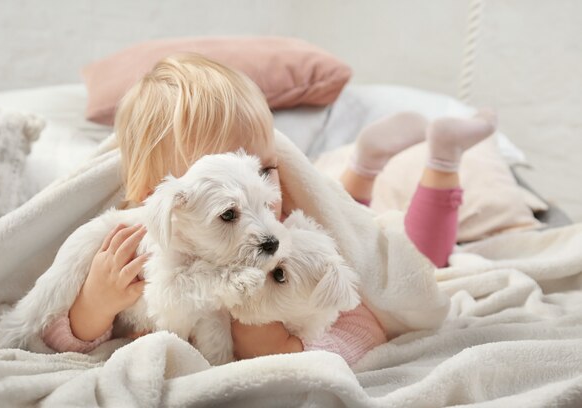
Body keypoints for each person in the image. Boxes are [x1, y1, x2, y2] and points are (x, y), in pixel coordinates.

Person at [41, 54, 496, 364]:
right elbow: (59, 341)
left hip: (328, 228)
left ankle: (436, 162)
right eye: (229, 206)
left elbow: (363, 315)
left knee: (421, 254)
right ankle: (362, 168)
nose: (267, 197)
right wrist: (94, 308)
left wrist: (294, 350)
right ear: (158, 196)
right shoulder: (129, 247)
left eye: (267, 170)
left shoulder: (284, 231)